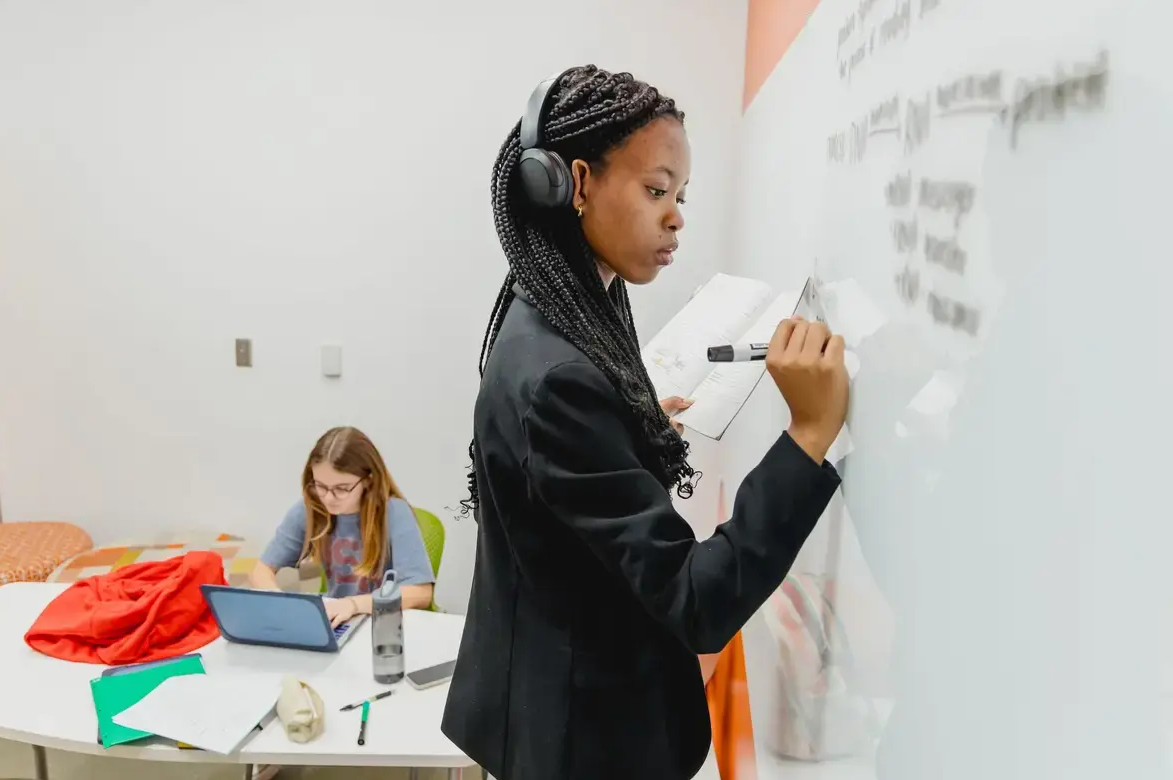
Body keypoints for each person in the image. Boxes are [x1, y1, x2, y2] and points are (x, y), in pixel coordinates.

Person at [440, 65, 850, 780]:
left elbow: (553, 484)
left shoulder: (548, 301)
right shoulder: (560, 376)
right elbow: (695, 599)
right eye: (657, 190)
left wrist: (625, 429)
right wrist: (807, 437)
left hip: (543, 705)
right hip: (579, 743)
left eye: (681, 196)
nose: (677, 217)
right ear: (575, 182)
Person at [250, 426, 435, 622]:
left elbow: (420, 592)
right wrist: (280, 602)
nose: (328, 498)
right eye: (320, 486)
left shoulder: (395, 512)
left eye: (342, 488)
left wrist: (354, 604)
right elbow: (260, 571)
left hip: (384, 624)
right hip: (338, 620)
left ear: (368, 481)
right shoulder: (311, 508)